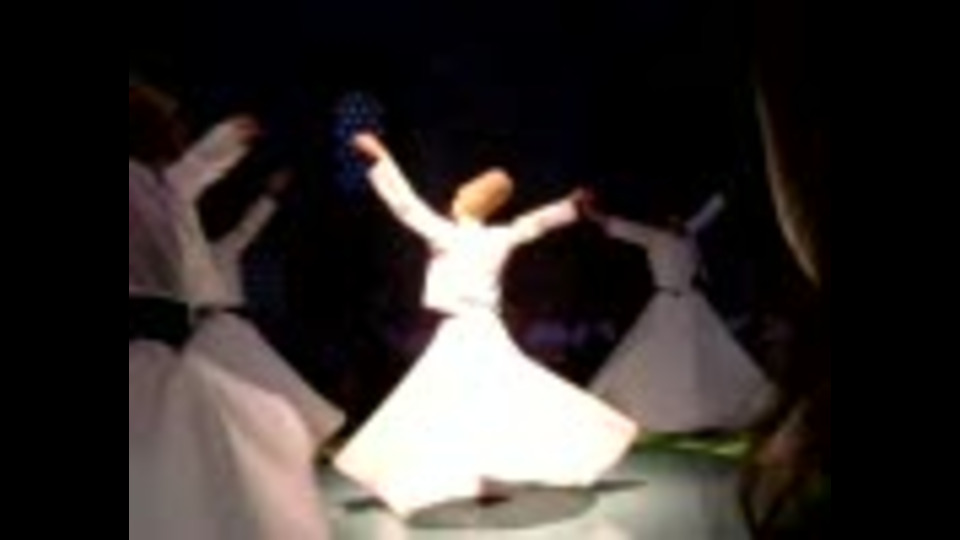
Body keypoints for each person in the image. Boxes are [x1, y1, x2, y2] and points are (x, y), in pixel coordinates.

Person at [333, 132, 638, 517]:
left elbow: (406, 205)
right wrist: (570, 205)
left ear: (467, 202)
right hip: (483, 330)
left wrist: (381, 155)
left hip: (463, 332)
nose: (453, 199)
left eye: (459, 195)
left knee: (437, 403)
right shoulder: (498, 237)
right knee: (490, 402)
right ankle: (483, 477)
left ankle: (457, 477)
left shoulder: (446, 234)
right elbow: (533, 224)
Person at [586, 193, 771, 433]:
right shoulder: (653, 236)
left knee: (702, 354)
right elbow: (618, 226)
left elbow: (709, 212)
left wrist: (726, 195)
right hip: (666, 304)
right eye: (672, 218)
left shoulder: (688, 234)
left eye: (680, 218)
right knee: (651, 351)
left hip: (691, 304)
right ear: (664, 219)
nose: (677, 222)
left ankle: (702, 409)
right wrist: (591, 213)